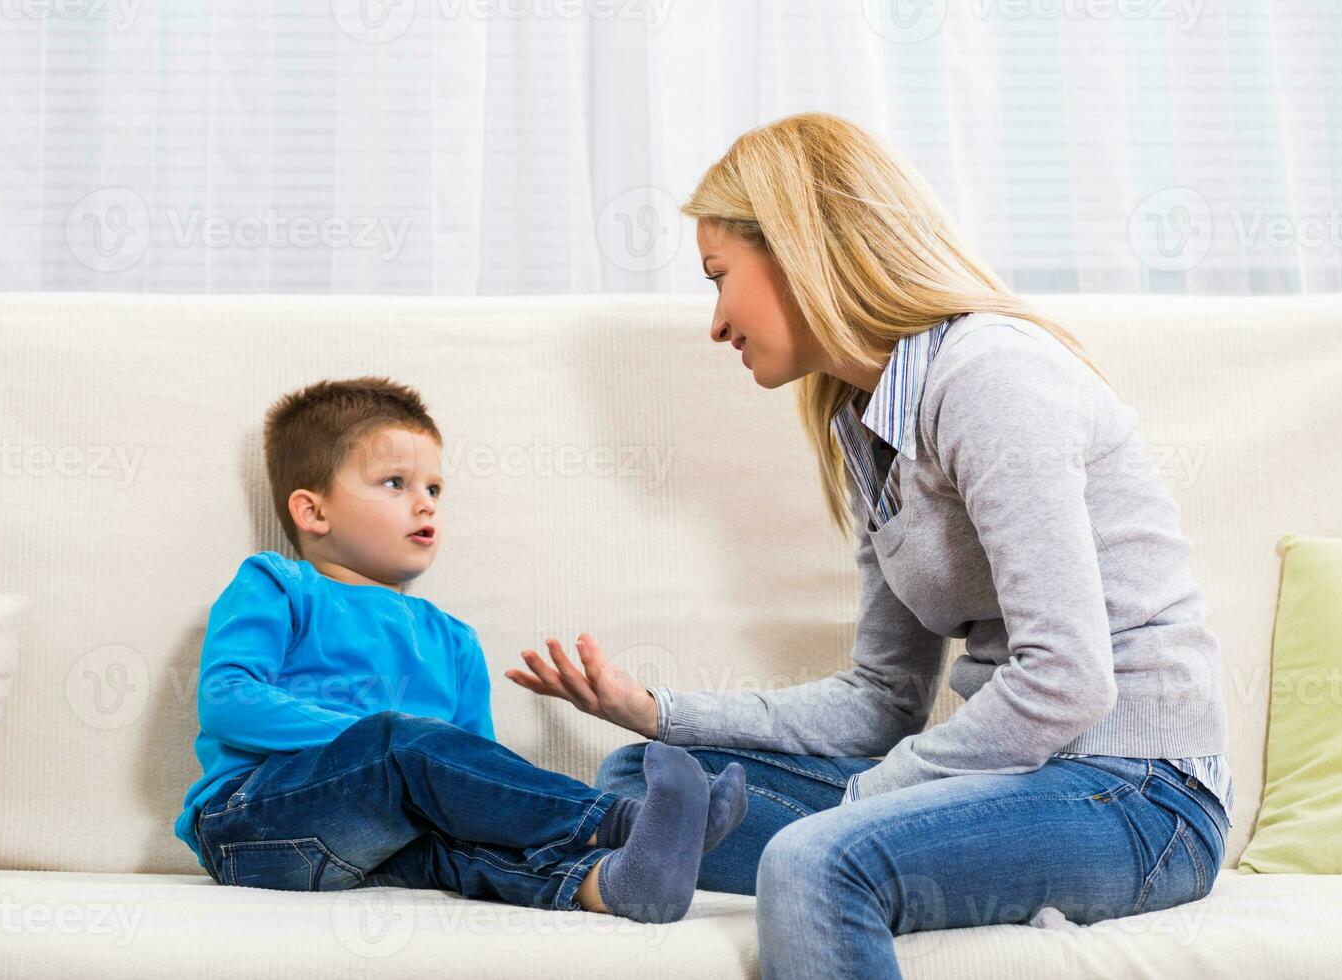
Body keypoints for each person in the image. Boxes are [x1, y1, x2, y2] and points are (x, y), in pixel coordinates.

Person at [506, 112, 1233, 978]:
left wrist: (863, 802)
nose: (715, 322)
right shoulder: (868, 425)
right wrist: (657, 711)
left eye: (718, 277)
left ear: (800, 248)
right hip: (1024, 777)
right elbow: (884, 700)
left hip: (1141, 794)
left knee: (818, 859)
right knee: (644, 779)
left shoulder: (990, 377)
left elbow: (1068, 677)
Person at [173, 376, 747, 924]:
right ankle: (627, 820)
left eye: (434, 489)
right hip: (253, 823)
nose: (425, 504)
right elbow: (228, 700)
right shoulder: (280, 584)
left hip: (374, 844)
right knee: (406, 741)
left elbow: (472, 777)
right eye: (395, 483)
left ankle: (623, 882)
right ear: (313, 511)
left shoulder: (453, 639)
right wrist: (378, 740)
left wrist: (425, 758)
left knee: (464, 843)